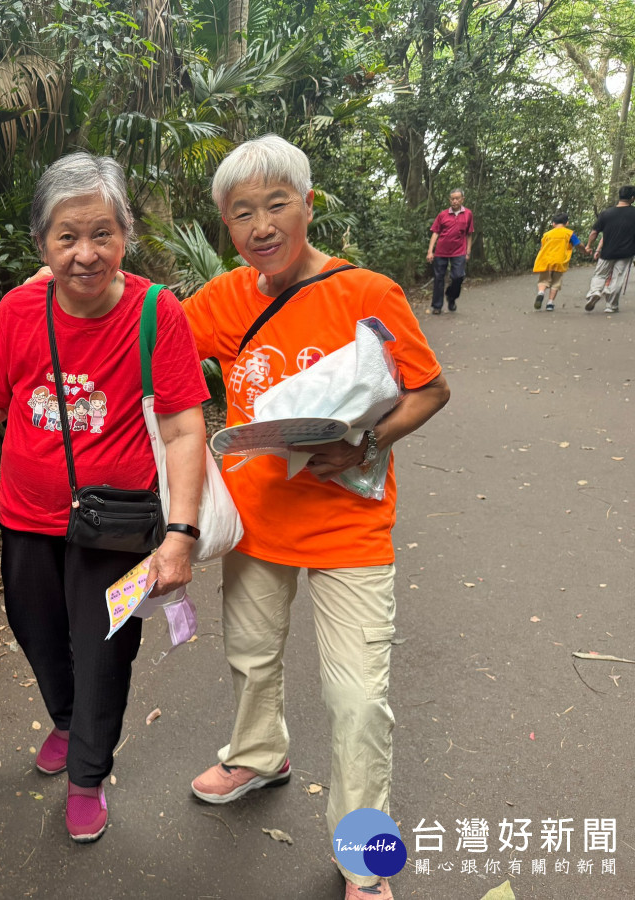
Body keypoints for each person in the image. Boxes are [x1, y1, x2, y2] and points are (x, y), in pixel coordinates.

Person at [181, 135, 450, 900]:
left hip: (349, 526)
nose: (261, 225)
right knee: (252, 657)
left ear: (307, 202)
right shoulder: (225, 298)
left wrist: (369, 438)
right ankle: (259, 754)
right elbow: (155, 344)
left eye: (276, 204)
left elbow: (429, 390)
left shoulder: (366, 291)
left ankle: (364, 854)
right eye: (242, 213)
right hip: (256, 522)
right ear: (227, 228)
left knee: (359, 697)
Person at [0, 152, 208, 843]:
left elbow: (182, 428)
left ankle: (88, 772)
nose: (86, 254)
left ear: (126, 234)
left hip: (116, 526)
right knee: (40, 634)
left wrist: (181, 533)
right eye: (67, 237)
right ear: (41, 243)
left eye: (102, 234)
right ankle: (64, 718)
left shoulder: (155, 312)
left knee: (105, 651)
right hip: (25, 517)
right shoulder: (21, 307)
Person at [583, 185, 635, 313]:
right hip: (626, 252)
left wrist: (589, 246)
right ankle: (610, 306)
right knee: (618, 277)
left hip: (607, 252)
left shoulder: (606, 213)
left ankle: (595, 291)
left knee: (600, 275)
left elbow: (594, 232)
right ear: (632, 198)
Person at [425, 189, 474, 314]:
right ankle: (437, 306)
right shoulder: (443, 214)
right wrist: (430, 251)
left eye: (457, 198)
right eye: (452, 198)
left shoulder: (468, 214)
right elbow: (435, 232)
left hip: (459, 251)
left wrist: (468, 251)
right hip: (441, 251)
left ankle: (451, 297)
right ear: (449, 200)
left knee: (458, 277)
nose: (455, 201)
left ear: (462, 199)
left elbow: (469, 234)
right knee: (438, 278)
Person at [531, 212, 580, 311]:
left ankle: (541, 293)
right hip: (559, 261)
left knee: (543, 280)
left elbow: (542, 247)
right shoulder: (569, 233)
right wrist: (585, 250)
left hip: (546, 260)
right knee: (555, 283)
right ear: (567, 223)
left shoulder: (547, 234)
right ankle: (550, 303)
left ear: (553, 224)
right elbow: (578, 244)